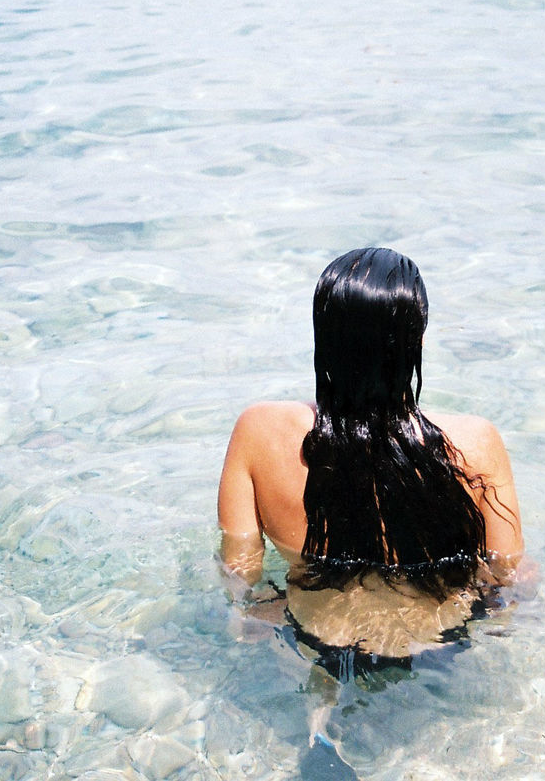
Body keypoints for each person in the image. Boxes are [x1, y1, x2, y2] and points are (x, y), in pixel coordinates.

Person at [217, 247, 524, 674]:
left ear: (322, 336)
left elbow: (239, 566)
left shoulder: (258, 431)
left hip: (315, 633)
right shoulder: (475, 441)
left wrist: (250, 615)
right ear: (414, 340)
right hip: (442, 640)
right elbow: (506, 575)